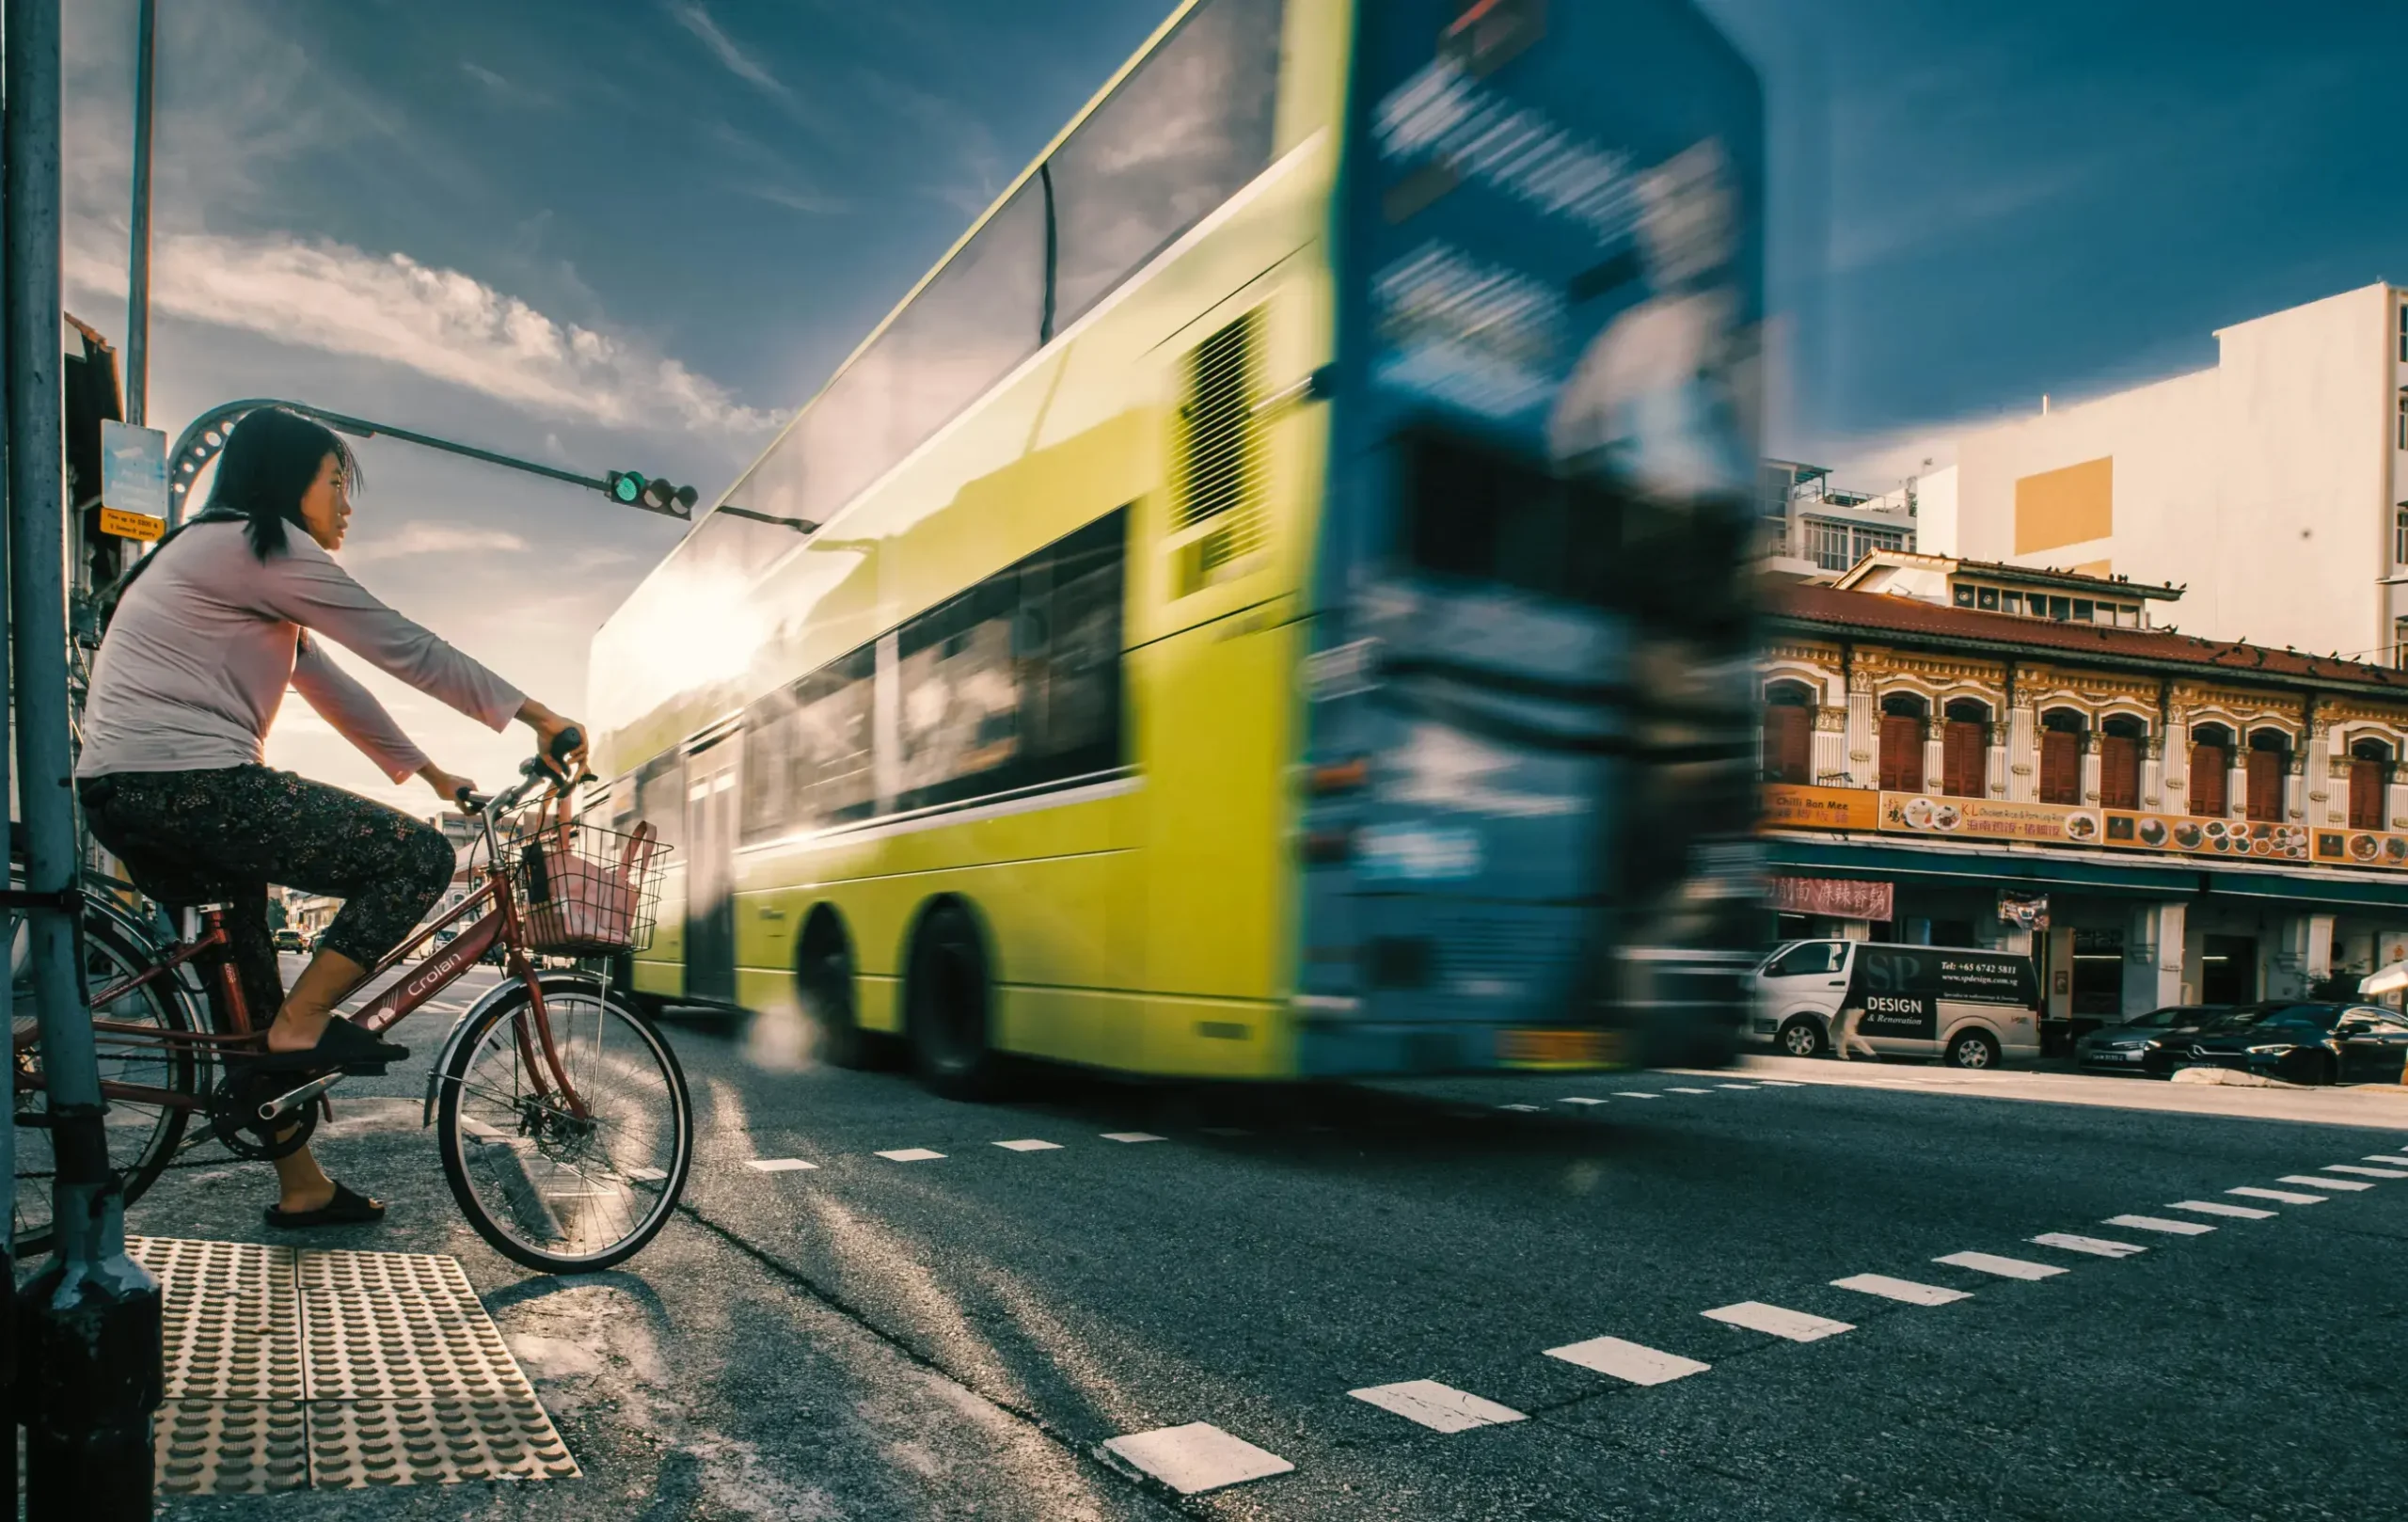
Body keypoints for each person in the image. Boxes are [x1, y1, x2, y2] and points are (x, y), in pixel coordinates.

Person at [74, 407, 587, 1229]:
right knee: (415, 860)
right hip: (188, 785)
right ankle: (307, 1023)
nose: (347, 502)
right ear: (288, 480)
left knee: (249, 1017)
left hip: (134, 791)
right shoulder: (258, 544)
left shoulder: (228, 558)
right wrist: (539, 715)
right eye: (337, 480)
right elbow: (402, 643)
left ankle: (303, 1184)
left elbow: (335, 688)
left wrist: (432, 773)